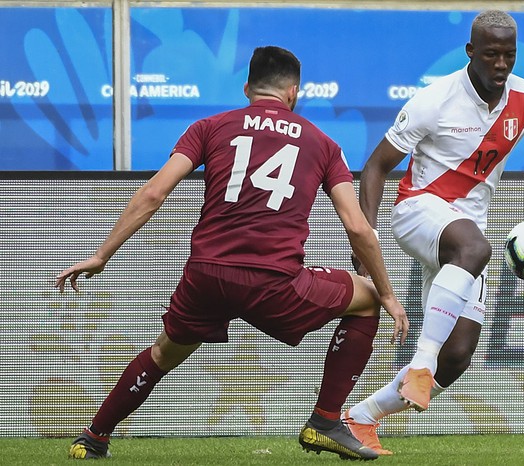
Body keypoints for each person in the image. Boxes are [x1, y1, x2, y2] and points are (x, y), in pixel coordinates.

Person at [54, 45, 408, 461]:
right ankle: (325, 421)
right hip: (275, 282)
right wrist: (386, 293)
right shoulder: (324, 144)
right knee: (364, 299)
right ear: (294, 92)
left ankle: (93, 437)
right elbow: (358, 228)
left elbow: (153, 193)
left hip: (207, 276)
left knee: (163, 353)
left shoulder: (208, 127)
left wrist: (101, 255)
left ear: (247, 89)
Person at [344, 10, 524, 455]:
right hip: (417, 211)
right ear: (471, 51)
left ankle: (362, 418)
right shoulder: (434, 100)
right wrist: (365, 236)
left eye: (508, 55)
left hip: (464, 234)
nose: (500, 65)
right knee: (477, 247)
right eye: (491, 54)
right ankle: (420, 361)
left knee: (457, 357)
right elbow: (375, 167)